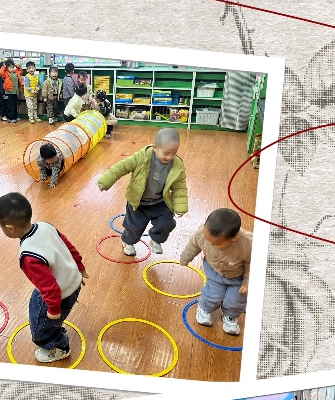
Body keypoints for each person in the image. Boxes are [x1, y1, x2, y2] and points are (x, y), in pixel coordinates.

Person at [0, 192, 89, 364]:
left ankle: (60, 347)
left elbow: (49, 287)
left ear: (10, 228)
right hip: (73, 281)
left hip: (59, 295)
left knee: (40, 329)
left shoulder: (29, 255)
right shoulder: (45, 226)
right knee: (47, 318)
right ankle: (56, 328)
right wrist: (79, 267)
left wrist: (53, 310)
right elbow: (68, 246)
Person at [97, 128, 188, 257]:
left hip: (160, 202)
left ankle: (156, 240)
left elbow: (180, 187)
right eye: (166, 153)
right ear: (155, 148)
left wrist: (180, 207)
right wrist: (105, 181)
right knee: (135, 227)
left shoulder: (177, 165)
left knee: (168, 222)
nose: (170, 157)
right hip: (139, 202)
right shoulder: (142, 157)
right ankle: (128, 242)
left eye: (174, 153)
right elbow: (121, 167)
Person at [179, 208, 252, 337]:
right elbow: (193, 245)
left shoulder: (248, 244)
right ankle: (205, 309)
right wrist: (185, 257)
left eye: (216, 243)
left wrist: (247, 282)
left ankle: (230, 316)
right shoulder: (202, 233)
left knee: (236, 299)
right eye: (208, 240)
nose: (210, 244)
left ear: (234, 239)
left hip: (238, 277)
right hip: (214, 271)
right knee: (213, 294)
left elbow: (253, 264)